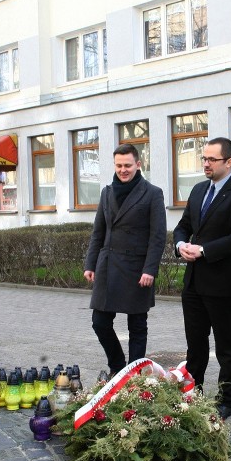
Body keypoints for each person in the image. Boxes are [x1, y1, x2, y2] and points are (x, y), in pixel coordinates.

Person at [173, 137, 231, 420]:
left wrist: (205, 250)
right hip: (194, 283)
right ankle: (192, 393)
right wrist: (180, 244)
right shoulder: (197, 190)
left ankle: (225, 399)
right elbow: (183, 226)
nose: (206, 164)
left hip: (224, 284)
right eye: (203, 159)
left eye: (212, 160)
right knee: (195, 345)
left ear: (229, 162)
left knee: (227, 346)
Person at [83, 144, 167, 375]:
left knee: (137, 326)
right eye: (119, 165)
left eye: (127, 165)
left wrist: (150, 269)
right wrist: (90, 263)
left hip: (137, 269)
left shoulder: (152, 193)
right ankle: (117, 366)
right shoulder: (107, 192)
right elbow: (98, 231)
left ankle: (132, 375)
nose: (123, 170)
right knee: (99, 322)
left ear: (138, 165)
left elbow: (157, 236)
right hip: (108, 266)